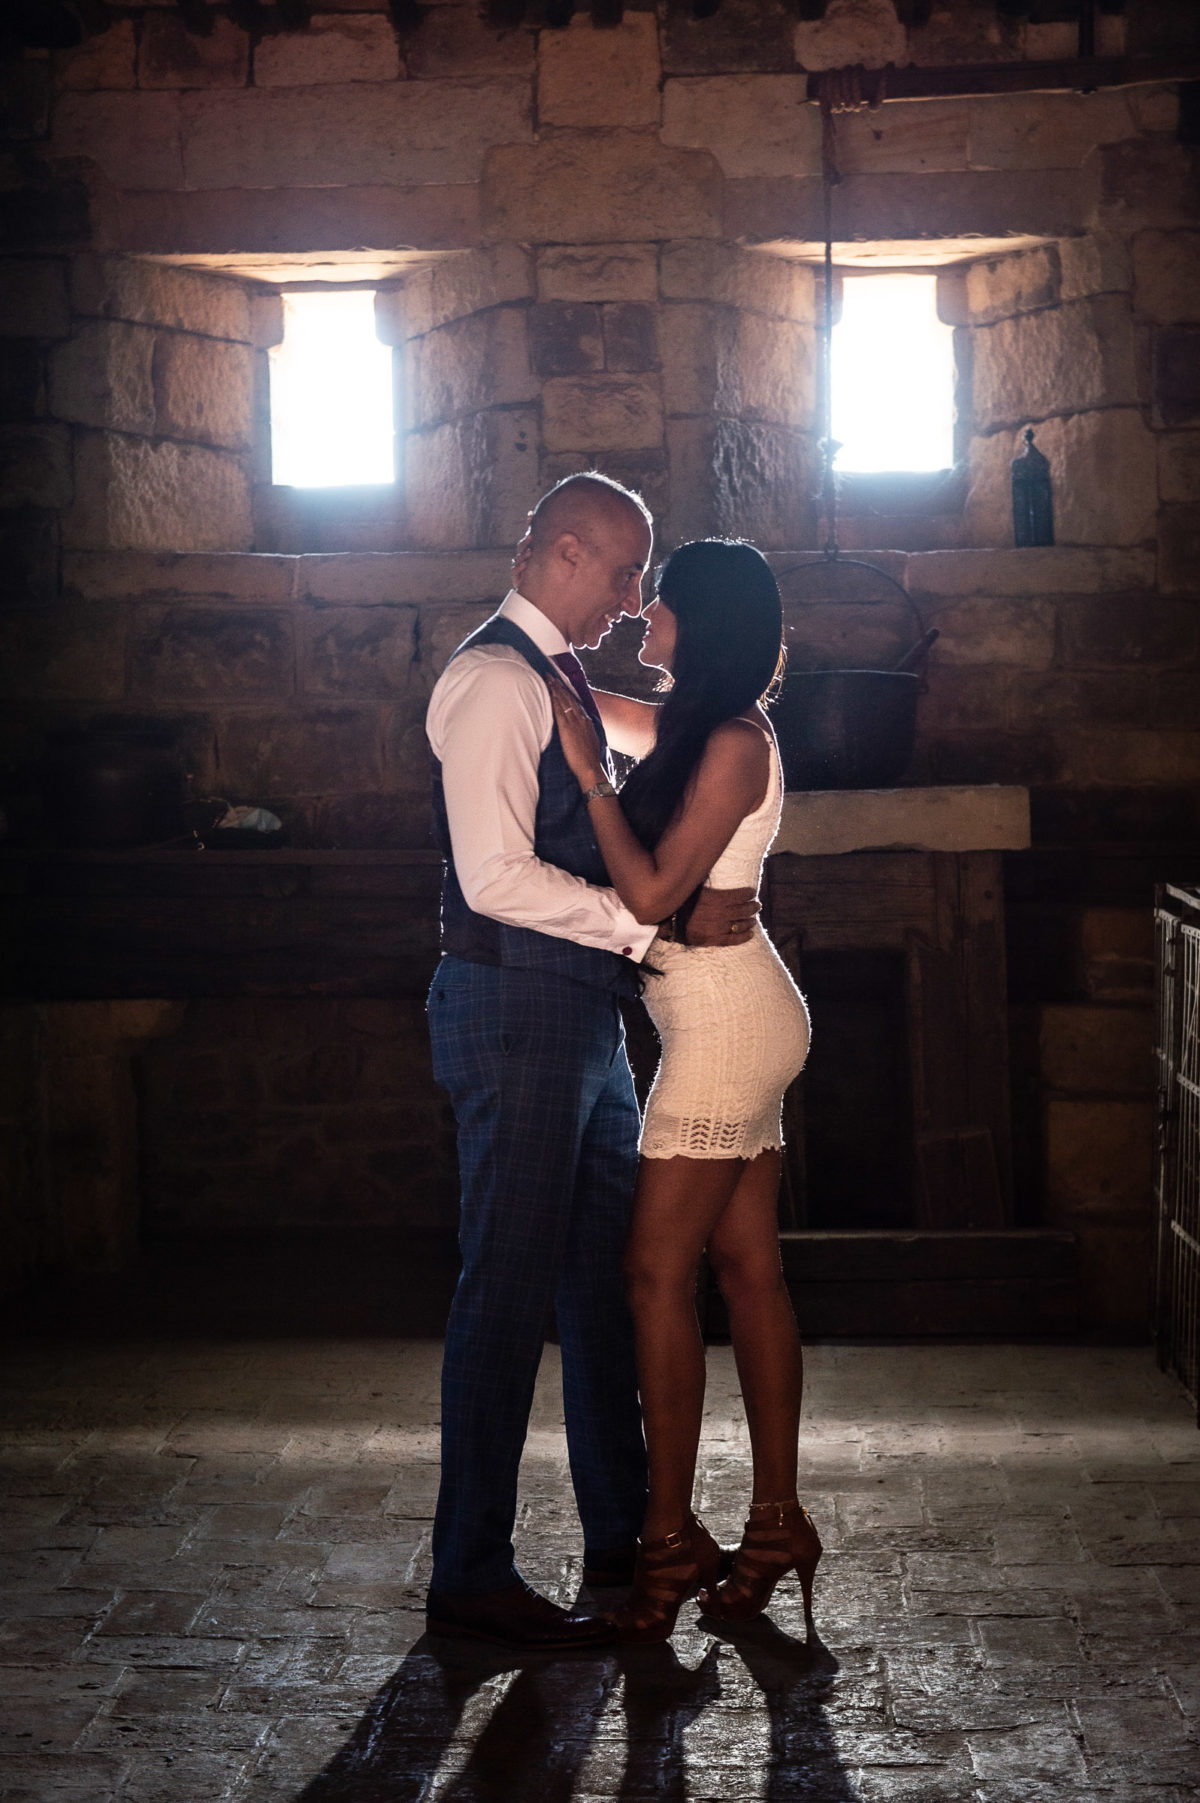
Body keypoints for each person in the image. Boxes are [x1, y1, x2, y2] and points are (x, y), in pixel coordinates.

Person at [424, 475, 760, 1650]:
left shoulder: (561, 677)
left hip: (579, 1021)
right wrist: (647, 926)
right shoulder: (490, 683)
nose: (632, 601)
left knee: (605, 1289)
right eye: (624, 573)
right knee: (506, 1294)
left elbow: (677, 741)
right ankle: (469, 1568)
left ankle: (627, 1536)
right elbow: (494, 880)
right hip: (516, 1012)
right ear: (566, 551)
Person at [546, 536, 821, 1643]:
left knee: (653, 1275)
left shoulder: (736, 744)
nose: (640, 620)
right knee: (747, 1272)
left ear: (696, 625)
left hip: (723, 1024)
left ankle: (667, 1547)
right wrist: (545, 663)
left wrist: (583, 783)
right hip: (723, 1009)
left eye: (655, 607)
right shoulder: (697, 728)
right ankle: (775, 1527)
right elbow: (595, 699)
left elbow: (657, 887)